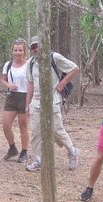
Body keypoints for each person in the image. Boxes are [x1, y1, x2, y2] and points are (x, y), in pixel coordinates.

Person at [25, 36, 80, 172]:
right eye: (33, 47)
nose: (36, 49)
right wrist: (27, 104)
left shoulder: (54, 57)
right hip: (36, 102)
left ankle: (72, 151)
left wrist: (62, 83)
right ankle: (39, 159)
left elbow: (74, 69)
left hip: (53, 99)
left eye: (38, 45)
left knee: (56, 130)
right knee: (36, 132)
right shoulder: (30, 63)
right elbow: (30, 85)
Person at [1, 38, 30, 163]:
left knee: (23, 125)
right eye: (16, 50)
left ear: (24, 52)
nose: (18, 52)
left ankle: (24, 152)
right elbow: (3, 79)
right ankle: (12, 148)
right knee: (6, 125)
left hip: (25, 96)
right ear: (12, 51)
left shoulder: (29, 64)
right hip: (11, 96)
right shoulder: (8, 65)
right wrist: (9, 85)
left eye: (20, 50)